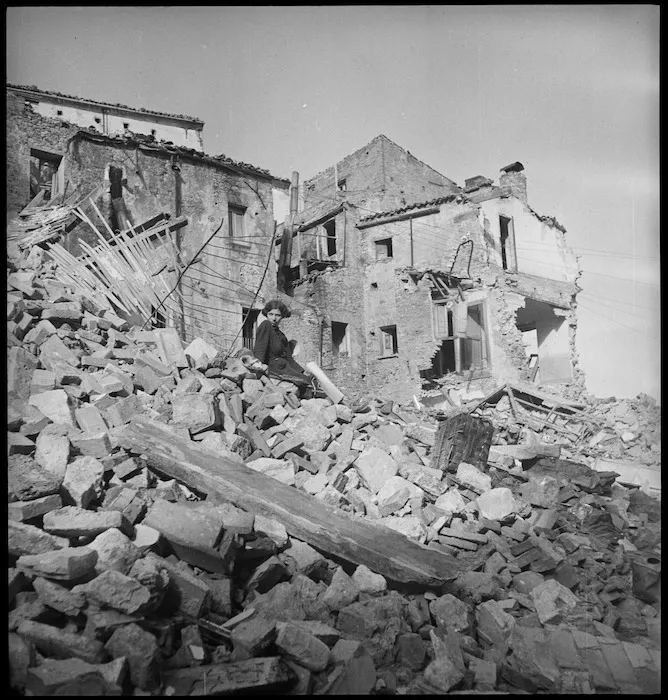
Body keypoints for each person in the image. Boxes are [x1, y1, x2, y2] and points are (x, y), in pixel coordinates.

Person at [253, 299, 312, 391]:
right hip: (273, 368)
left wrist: (302, 371)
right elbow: (259, 350)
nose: (274, 318)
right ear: (266, 314)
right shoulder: (266, 325)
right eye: (271, 314)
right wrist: (258, 367)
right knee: (304, 382)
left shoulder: (282, 336)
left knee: (308, 379)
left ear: (282, 317)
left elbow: (289, 358)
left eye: (278, 315)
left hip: (284, 367)